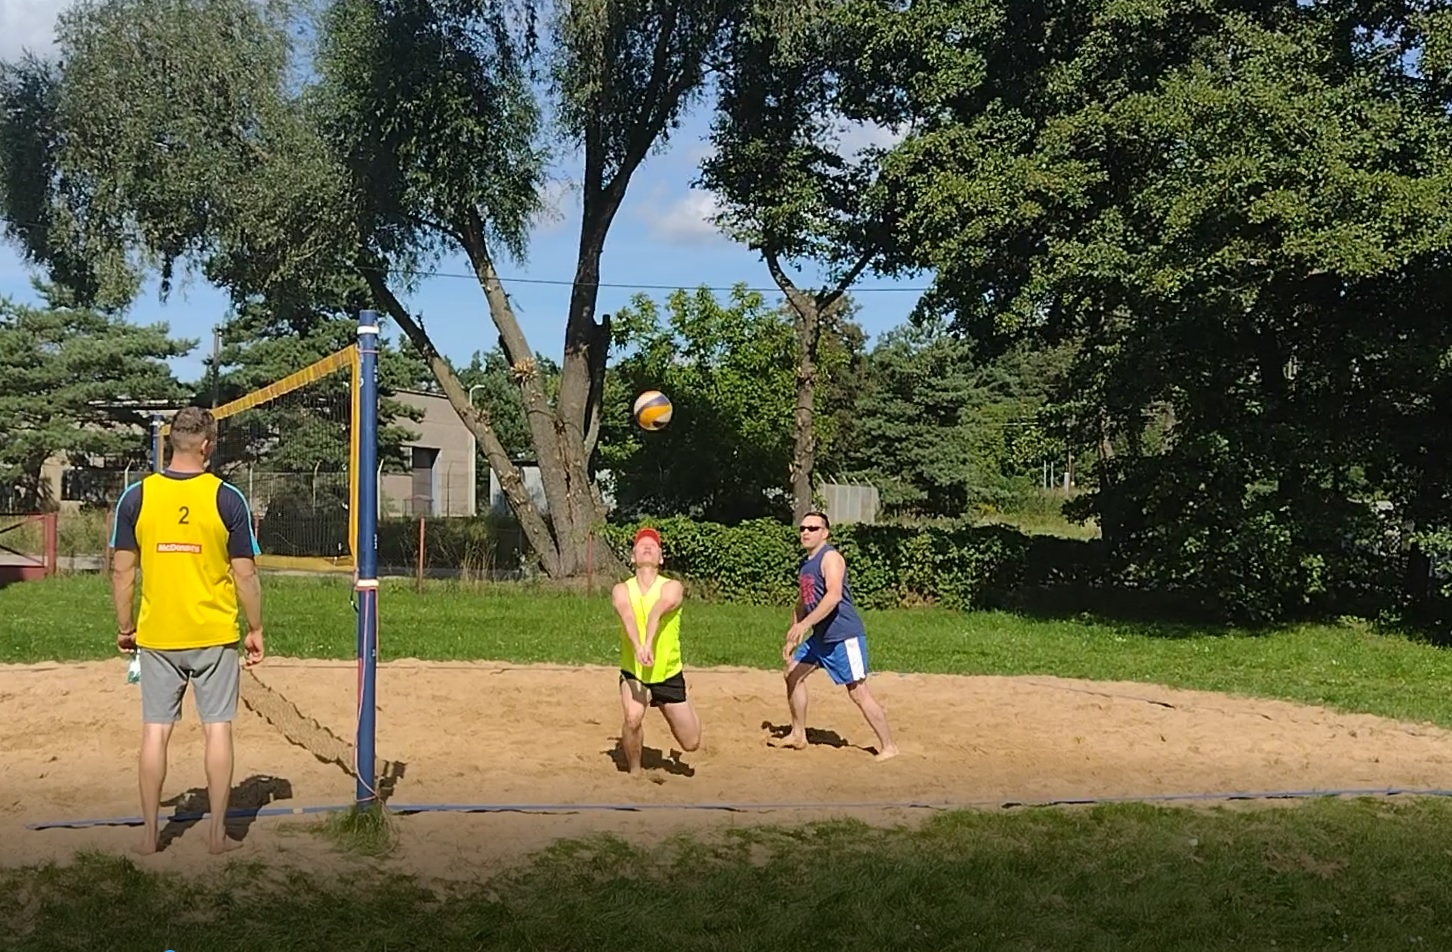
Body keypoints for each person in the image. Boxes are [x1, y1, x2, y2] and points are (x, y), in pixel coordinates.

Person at [110, 406, 265, 855]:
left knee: (155, 732)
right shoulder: (227, 498)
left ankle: (149, 838)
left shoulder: (136, 497)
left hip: (158, 634)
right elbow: (245, 575)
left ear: (170, 442)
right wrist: (255, 627)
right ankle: (217, 835)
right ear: (207, 445)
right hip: (214, 633)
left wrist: (125, 626)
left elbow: (122, 572)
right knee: (217, 729)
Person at [776, 510, 899, 761]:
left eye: (812, 528)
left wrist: (805, 624)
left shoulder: (830, 558)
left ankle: (889, 746)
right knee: (792, 674)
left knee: (858, 692)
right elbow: (803, 602)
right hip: (820, 637)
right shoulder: (806, 564)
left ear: (825, 533)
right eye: (803, 528)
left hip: (843, 636)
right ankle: (798, 734)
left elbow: (833, 596)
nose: (806, 532)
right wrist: (792, 635)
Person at [611, 526, 702, 775]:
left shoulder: (672, 586)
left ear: (661, 558)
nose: (648, 546)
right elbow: (627, 615)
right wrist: (638, 647)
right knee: (633, 717)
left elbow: (657, 611)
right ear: (633, 557)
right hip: (635, 671)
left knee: (692, 743)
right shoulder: (622, 589)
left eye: (653, 545)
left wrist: (648, 643)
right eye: (642, 544)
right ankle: (635, 770)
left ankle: (679, 697)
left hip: (667, 673)